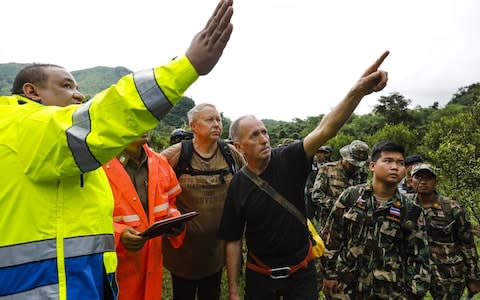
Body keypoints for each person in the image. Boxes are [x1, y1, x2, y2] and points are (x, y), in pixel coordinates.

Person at [0, 1, 233, 299]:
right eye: (67, 86)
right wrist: (186, 67)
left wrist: (172, 223)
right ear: (31, 91)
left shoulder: (75, 157)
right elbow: (106, 117)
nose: (79, 94)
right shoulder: (24, 126)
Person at [219, 51, 390, 300]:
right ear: (238, 145)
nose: (264, 139)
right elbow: (233, 240)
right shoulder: (238, 185)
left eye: (264, 131)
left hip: (301, 275)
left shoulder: (289, 158)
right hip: (260, 276)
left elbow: (325, 129)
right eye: (254, 135)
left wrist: (358, 91)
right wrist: (233, 290)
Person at [322, 141, 430, 299]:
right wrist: (329, 275)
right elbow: (331, 237)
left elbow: (419, 258)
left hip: (389, 292)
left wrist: (412, 294)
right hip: (346, 288)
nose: (395, 167)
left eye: (400, 163)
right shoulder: (351, 196)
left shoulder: (410, 210)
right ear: (372, 166)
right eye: (388, 161)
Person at [161, 103, 245, 300]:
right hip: (181, 254)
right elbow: (149, 177)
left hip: (215, 253)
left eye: (218, 119)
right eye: (209, 120)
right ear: (193, 126)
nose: (216, 124)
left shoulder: (230, 154)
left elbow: (250, 181)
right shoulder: (177, 154)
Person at [103, 134, 185, 300]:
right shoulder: (97, 167)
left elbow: (170, 203)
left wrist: (174, 219)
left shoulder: (160, 163)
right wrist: (118, 234)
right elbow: (84, 217)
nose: (145, 124)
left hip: (152, 269)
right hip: (114, 274)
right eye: (135, 117)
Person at [411, 163, 480, 299]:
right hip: (415, 271)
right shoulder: (406, 206)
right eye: (419, 177)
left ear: (436, 182)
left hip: (448, 273)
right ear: (410, 181)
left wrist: (474, 277)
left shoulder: (452, 208)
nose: (423, 182)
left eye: (429, 178)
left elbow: (468, 244)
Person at [311, 140, 369, 229]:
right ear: (345, 157)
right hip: (329, 223)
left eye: (358, 165)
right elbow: (316, 195)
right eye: (352, 164)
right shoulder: (327, 169)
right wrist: (338, 206)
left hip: (352, 225)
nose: (355, 167)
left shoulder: (361, 174)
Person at [305, 145, 333, 219]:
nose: (319, 154)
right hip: (310, 193)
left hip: (323, 194)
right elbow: (308, 178)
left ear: (325, 154)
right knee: (309, 213)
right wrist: (311, 188)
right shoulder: (309, 164)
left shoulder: (329, 166)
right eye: (318, 152)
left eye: (322, 152)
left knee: (321, 215)